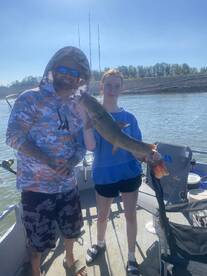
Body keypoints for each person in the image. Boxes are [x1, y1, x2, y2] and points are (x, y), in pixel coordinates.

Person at [6, 46, 90, 276]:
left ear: (80, 78)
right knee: (38, 242)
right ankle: (36, 272)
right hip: (36, 188)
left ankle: (70, 260)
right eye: (63, 69)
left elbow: (81, 144)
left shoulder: (77, 106)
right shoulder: (30, 98)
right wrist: (46, 159)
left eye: (75, 73)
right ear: (52, 70)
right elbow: (12, 136)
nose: (68, 75)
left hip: (68, 185)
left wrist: (72, 160)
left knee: (72, 231)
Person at [81, 69, 143, 275]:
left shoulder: (130, 117)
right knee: (101, 216)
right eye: (108, 85)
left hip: (129, 173)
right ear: (101, 87)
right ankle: (99, 244)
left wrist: (148, 155)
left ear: (121, 88)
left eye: (117, 86)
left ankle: (132, 257)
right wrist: (86, 125)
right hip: (104, 175)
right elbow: (90, 146)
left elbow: (136, 151)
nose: (112, 89)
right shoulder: (93, 115)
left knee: (130, 216)